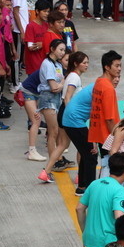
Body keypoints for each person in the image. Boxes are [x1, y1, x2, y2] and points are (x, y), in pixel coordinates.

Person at [41, 51, 88, 191]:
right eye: (84, 62)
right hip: (70, 115)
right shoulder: (74, 77)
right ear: (76, 64)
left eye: (87, 62)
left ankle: (46, 172)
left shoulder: (71, 76)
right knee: (83, 146)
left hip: (65, 113)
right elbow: (68, 98)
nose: (87, 65)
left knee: (62, 144)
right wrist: (72, 115)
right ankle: (81, 176)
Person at [76, 152, 124, 247]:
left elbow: (79, 209)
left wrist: (86, 232)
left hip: (90, 240)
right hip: (107, 242)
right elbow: (119, 217)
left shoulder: (94, 184)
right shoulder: (119, 190)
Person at [37, 40, 66, 183]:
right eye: (60, 49)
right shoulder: (47, 64)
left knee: (57, 131)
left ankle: (56, 160)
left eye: (64, 50)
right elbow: (54, 87)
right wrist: (63, 83)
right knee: (53, 132)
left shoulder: (58, 64)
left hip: (56, 99)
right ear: (52, 49)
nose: (62, 52)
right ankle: (52, 164)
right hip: (48, 99)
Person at [63, 82, 98, 193]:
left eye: (119, 77)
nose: (117, 79)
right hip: (74, 121)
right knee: (91, 154)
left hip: (71, 120)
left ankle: (82, 187)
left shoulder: (97, 85)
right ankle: (90, 191)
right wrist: (94, 141)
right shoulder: (100, 89)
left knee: (85, 153)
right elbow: (97, 117)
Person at [89, 50, 122, 156]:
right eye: (116, 66)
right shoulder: (108, 88)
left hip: (99, 135)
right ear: (107, 67)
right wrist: (116, 139)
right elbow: (110, 119)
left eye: (120, 66)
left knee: (104, 166)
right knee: (110, 168)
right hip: (107, 137)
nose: (119, 69)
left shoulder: (98, 82)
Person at [11, 0, 32, 92]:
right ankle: (15, 84)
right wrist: (22, 31)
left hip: (22, 29)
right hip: (19, 30)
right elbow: (15, 12)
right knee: (16, 58)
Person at [23, 0, 51, 75]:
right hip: (34, 66)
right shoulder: (30, 26)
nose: (47, 14)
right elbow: (31, 47)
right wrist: (45, 44)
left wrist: (42, 44)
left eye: (48, 11)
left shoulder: (47, 25)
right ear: (37, 11)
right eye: (44, 11)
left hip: (45, 65)